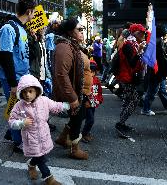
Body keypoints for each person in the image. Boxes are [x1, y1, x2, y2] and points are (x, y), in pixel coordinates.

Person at [8, 74, 69, 185]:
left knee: (40, 155)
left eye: (30, 91)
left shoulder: (44, 100)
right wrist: (21, 123)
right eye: (24, 92)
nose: (27, 95)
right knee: (40, 158)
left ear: (36, 90)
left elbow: (55, 106)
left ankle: (31, 165)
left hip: (44, 135)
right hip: (31, 138)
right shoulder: (19, 106)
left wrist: (66, 106)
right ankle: (48, 178)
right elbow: (11, 121)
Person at [0, 0, 37, 152]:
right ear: (29, 11)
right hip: (12, 79)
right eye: (33, 12)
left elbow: (24, 54)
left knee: (23, 109)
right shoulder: (9, 28)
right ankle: (17, 141)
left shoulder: (22, 29)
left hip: (22, 77)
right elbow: (6, 57)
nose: (34, 15)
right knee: (17, 112)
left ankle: (13, 133)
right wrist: (13, 83)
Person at [53, 18, 92, 160]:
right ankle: (73, 148)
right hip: (72, 94)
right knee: (77, 117)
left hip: (77, 91)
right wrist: (73, 97)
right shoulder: (64, 47)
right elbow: (61, 75)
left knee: (79, 116)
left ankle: (63, 138)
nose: (82, 33)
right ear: (70, 32)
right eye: (79, 30)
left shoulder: (72, 45)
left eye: (83, 30)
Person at [114, 23, 146, 138]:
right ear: (135, 33)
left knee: (127, 100)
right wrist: (140, 51)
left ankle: (122, 123)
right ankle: (120, 124)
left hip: (129, 76)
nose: (143, 34)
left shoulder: (133, 43)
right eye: (141, 32)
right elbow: (132, 63)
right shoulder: (129, 45)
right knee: (134, 100)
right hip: (127, 77)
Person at [141, 24, 167, 116]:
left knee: (161, 89)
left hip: (154, 69)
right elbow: (161, 58)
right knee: (153, 90)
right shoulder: (159, 41)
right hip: (157, 70)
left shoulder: (153, 40)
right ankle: (145, 109)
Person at [82, 60, 103, 143]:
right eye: (88, 71)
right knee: (88, 119)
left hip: (92, 104)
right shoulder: (83, 80)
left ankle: (85, 133)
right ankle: (83, 133)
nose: (90, 74)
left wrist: (96, 102)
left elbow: (99, 94)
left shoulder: (96, 81)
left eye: (92, 72)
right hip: (85, 103)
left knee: (90, 119)